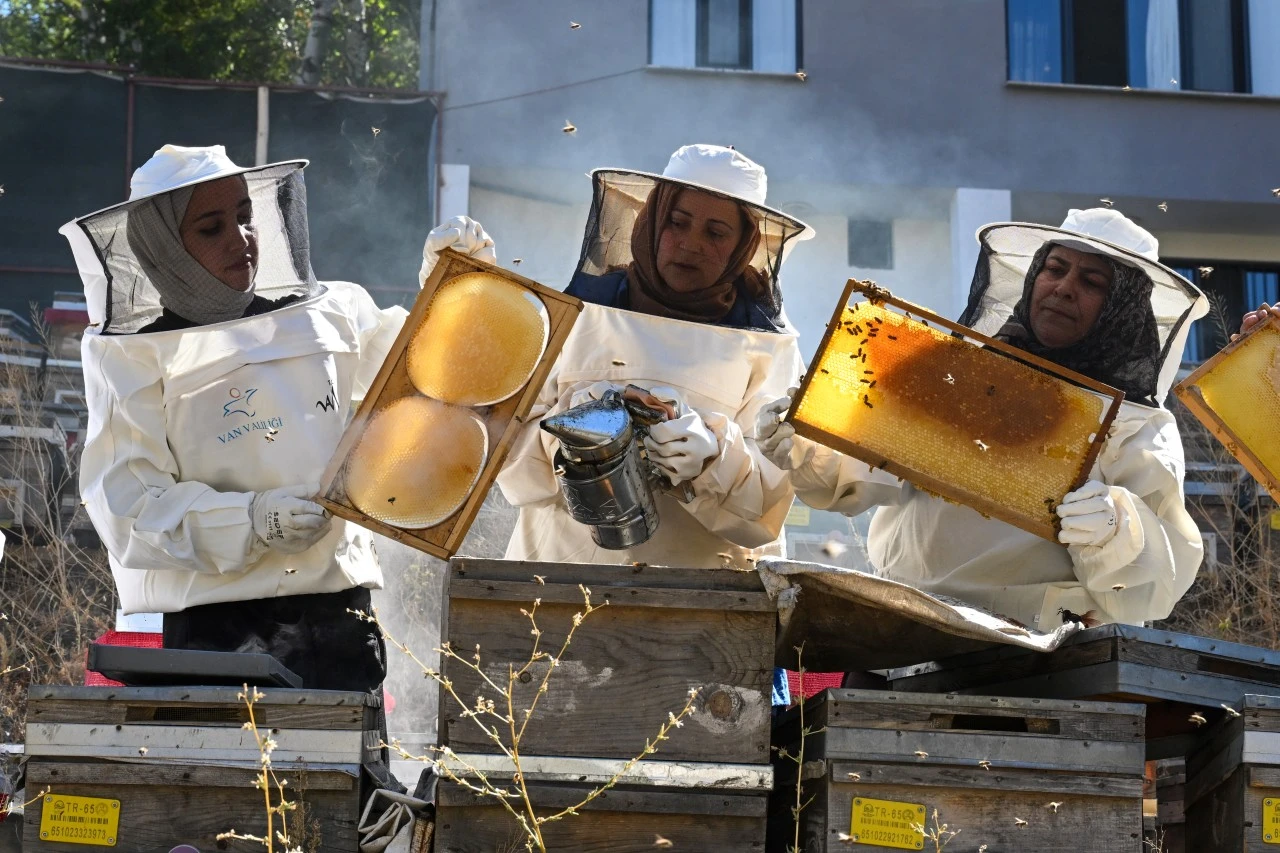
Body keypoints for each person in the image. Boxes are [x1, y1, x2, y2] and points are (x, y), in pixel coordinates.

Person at [63, 145, 495, 693]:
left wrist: (454, 290)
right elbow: (129, 507)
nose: (241, 237)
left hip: (340, 618)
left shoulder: (330, 312)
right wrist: (254, 520)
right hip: (214, 634)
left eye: (245, 216)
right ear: (163, 249)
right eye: (211, 228)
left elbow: (426, 385)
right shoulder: (129, 354)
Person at [756, 208, 1208, 630]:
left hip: (1045, 649)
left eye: (1092, 282)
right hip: (905, 625)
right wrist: (806, 447)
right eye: (1055, 269)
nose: (1064, 287)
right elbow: (863, 474)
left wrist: (1117, 528)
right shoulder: (960, 375)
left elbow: (1156, 588)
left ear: (1123, 308)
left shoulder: (1135, 425)